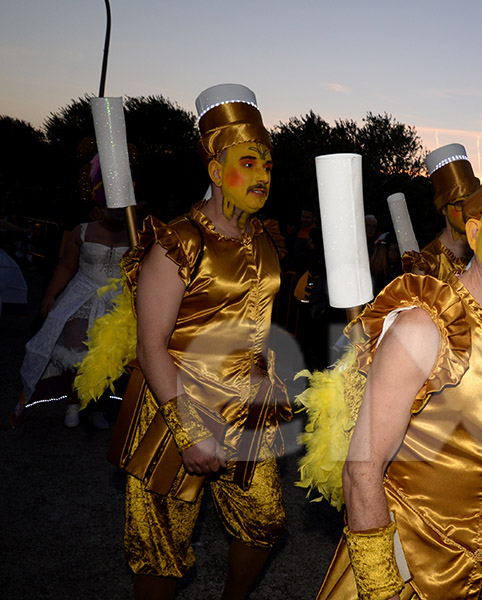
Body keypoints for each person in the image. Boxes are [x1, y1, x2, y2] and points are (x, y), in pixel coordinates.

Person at [316, 108, 482, 600]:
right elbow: (363, 468)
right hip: (404, 568)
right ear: (475, 231)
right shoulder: (423, 326)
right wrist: (382, 587)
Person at [117, 83, 292, 599]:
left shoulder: (264, 238)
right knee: (160, 545)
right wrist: (188, 430)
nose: (262, 175)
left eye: (267, 164)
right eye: (248, 163)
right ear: (216, 171)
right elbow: (151, 345)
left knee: (265, 521)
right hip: (177, 408)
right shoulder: (177, 242)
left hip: (246, 410)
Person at [15, 155, 129, 428]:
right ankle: (72, 403)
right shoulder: (83, 230)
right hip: (82, 297)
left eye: (118, 205)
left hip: (117, 304)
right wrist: (50, 295)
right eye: (107, 204)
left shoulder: (136, 235)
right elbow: (66, 266)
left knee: (106, 357)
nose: (113, 209)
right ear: (99, 204)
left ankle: (96, 408)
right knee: (75, 354)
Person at [402, 143, 479, 280]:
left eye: (472, 202)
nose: (468, 210)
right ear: (443, 208)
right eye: (460, 204)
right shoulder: (426, 266)